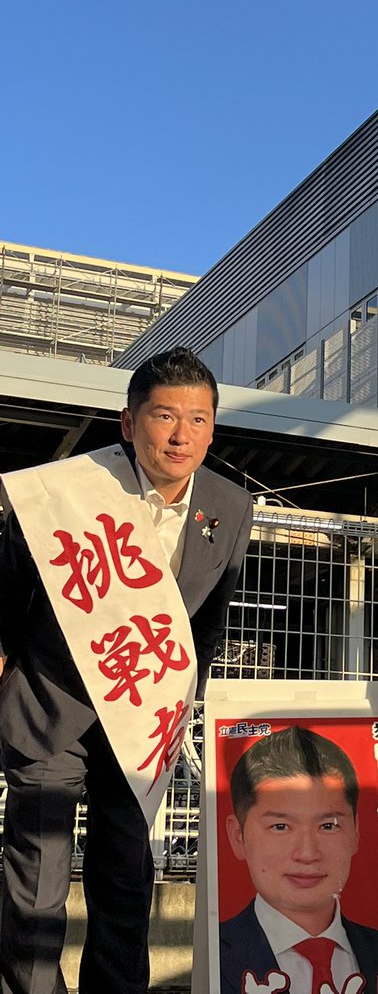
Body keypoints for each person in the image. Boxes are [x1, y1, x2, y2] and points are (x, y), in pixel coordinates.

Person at [0, 347, 253, 994]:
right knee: (37, 879)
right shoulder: (65, 491)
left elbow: (207, 624)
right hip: (49, 706)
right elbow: (7, 595)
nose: (180, 434)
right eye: (164, 415)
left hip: (141, 721)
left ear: (213, 428)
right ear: (128, 422)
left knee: (126, 876)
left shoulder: (230, 505)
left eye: (197, 420)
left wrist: (183, 702)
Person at [220, 726, 378, 994]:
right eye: (281, 827)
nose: (307, 853)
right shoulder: (212, 952)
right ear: (238, 837)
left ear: (356, 833)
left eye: (328, 825)